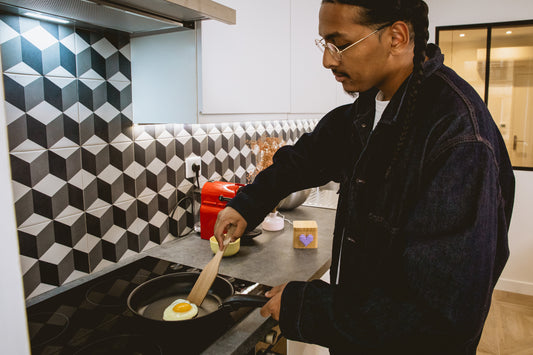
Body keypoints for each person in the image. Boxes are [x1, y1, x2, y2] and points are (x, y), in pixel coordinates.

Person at [213, 0, 515, 353]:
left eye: (340, 44)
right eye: (324, 44)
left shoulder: (457, 135)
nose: (327, 60)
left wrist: (307, 307)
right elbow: (305, 158)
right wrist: (248, 204)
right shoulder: (367, 108)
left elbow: (442, 317)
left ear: (397, 37)